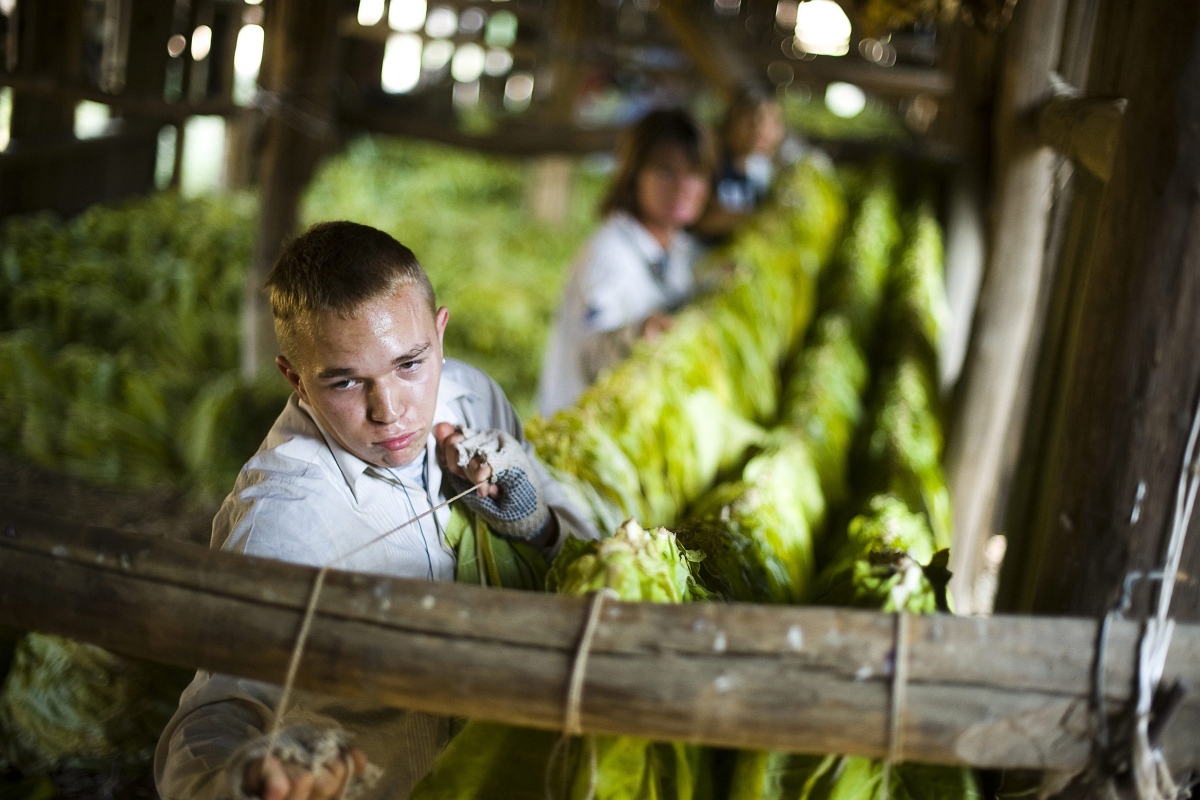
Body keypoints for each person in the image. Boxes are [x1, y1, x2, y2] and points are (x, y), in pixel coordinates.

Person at [154, 221, 596, 800]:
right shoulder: (284, 515)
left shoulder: (473, 398)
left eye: (410, 364)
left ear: (440, 333)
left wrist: (535, 523)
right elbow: (214, 713)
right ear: (296, 381)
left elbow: (591, 545)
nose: (389, 410)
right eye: (344, 382)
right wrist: (242, 784)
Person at [537, 108, 715, 416]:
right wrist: (639, 334)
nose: (684, 186)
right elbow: (592, 356)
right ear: (634, 175)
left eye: (696, 173)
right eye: (667, 172)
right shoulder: (608, 254)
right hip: (584, 433)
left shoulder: (681, 249)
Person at [693, 90, 786, 242]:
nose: (758, 129)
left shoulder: (761, 169)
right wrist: (754, 216)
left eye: (770, 122)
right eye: (750, 118)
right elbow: (698, 221)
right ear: (731, 119)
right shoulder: (708, 157)